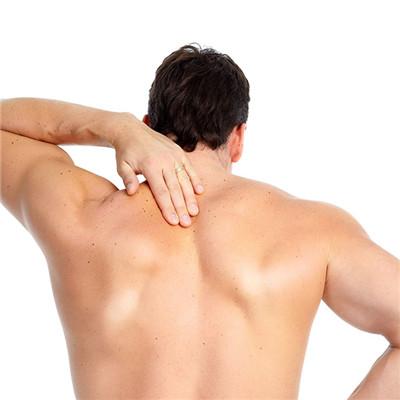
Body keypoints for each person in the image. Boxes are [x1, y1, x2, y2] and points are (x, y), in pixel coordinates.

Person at [1, 43, 399, 399]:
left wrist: (114, 127)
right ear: (238, 138)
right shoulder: (313, 230)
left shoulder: (83, 213)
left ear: (148, 126)